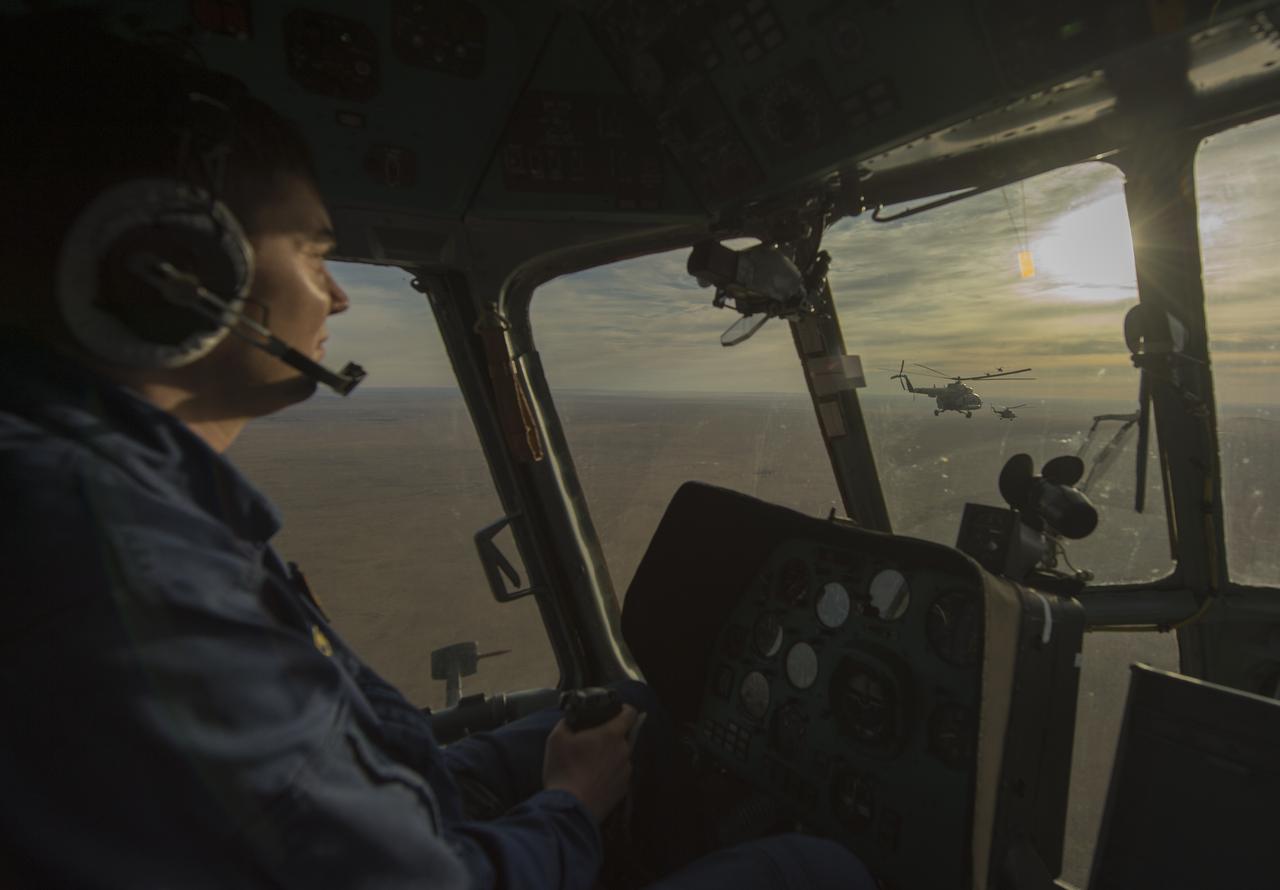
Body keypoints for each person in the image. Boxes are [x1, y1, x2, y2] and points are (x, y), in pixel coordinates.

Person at [0, 13, 875, 890]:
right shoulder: (129, 573)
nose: (338, 297)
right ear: (165, 266)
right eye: (311, 251)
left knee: (641, 713)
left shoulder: (110, 501)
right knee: (820, 868)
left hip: (386, 815)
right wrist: (569, 810)